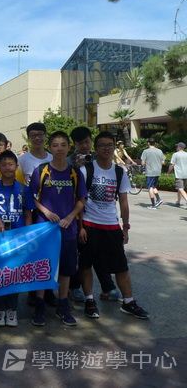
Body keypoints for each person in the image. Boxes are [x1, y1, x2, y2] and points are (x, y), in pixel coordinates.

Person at [79, 131, 149, 320]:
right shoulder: (86, 170)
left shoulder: (119, 172)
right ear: (96, 148)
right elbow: (79, 200)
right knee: (86, 265)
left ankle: (128, 302)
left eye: (110, 145)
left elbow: (124, 202)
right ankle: (89, 300)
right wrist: (80, 227)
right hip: (89, 224)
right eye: (102, 145)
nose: (107, 148)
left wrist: (125, 227)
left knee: (121, 266)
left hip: (111, 225)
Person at [30, 131, 86, 327]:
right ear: (50, 148)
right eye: (55, 145)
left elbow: (81, 200)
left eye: (63, 145)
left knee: (66, 270)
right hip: (44, 229)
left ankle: (63, 306)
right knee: (43, 267)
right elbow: (31, 198)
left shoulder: (75, 173)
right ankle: (39, 306)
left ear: (69, 147)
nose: (59, 148)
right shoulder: (41, 170)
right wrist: (46, 211)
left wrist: (70, 217)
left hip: (68, 229)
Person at [67, 126, 121, 304]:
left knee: (97, 252)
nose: (84, 146)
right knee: (82, 255)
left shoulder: (98, 157)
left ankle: (107, 286)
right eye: (80, 143)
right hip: (75, 213)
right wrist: (75, 166)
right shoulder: (68, 160)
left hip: (98, 216)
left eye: (87, 142)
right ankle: (75, 287)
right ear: (74, 144)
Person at [0, 150, 34, 327]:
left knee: (14, 274)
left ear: (16, 166)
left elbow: (28, 214)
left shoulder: (23, 189)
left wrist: (27, 235)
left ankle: (12, 310)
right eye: (4, 164)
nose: (7, 167)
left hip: (17, 238)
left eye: (11, 164)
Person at [140, 138, 165, 209]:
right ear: (155, 143)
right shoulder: (160, 151)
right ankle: (159, 199)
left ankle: (153, 205)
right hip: (157, 171)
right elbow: (163, 162)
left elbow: (142, 163)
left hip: (150, 172)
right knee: (153, 186)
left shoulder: (145, 151)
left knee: (150, 187)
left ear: (148, 143)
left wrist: (145, 165)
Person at [167, 142, 187, 208]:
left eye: (177, 146)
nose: (176, 148)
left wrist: (168, 172)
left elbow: (172, 165)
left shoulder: (175, 154)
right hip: (186, 174)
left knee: (180, 188)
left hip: (179, 175)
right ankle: (178, 201)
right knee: (180, 188)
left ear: (180, 147)